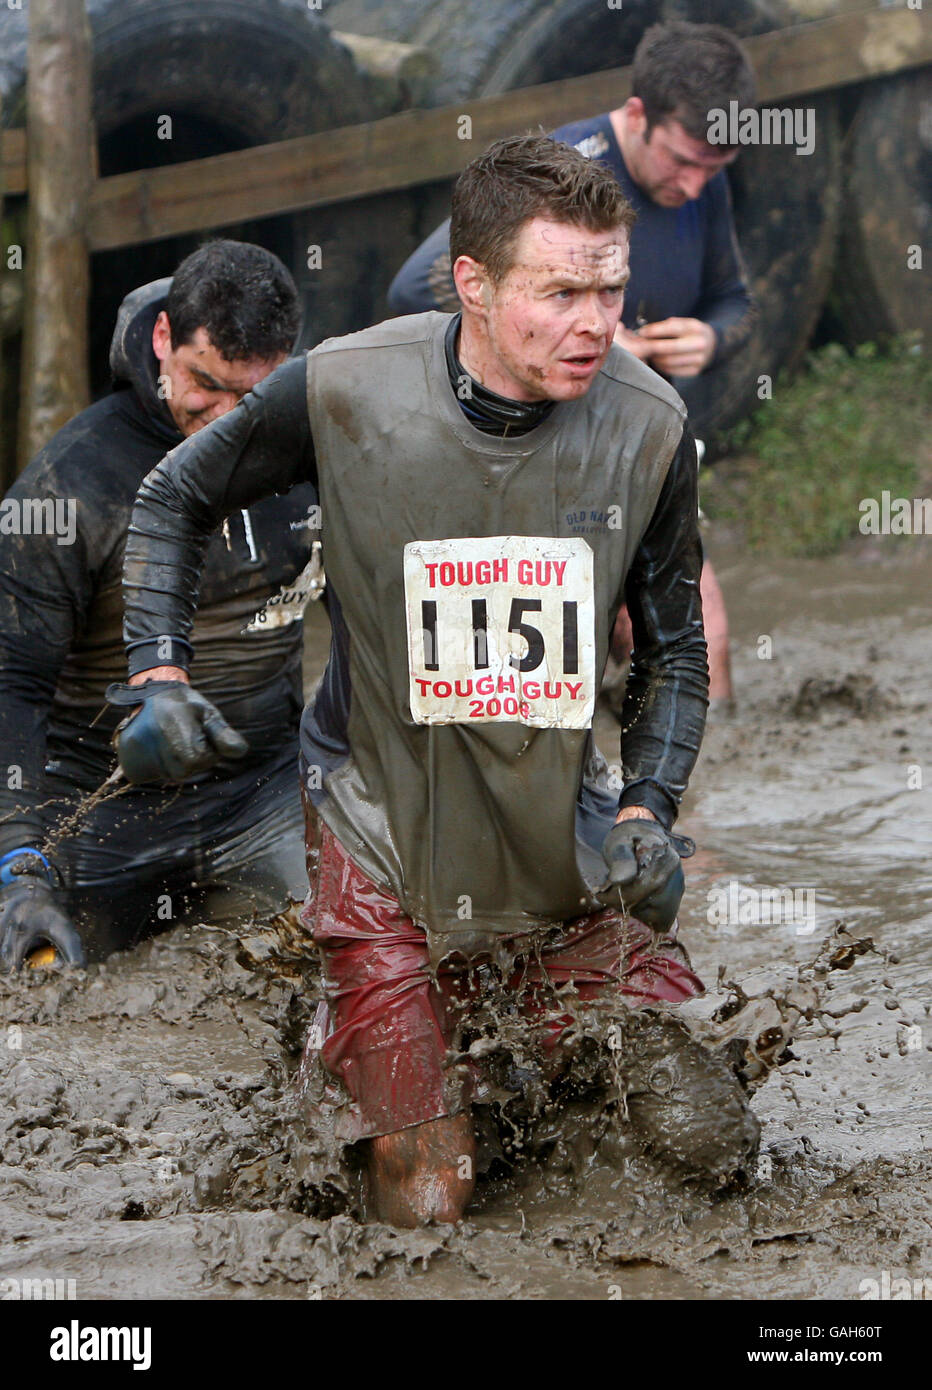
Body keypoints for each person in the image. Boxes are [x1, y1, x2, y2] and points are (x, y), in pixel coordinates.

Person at [115, 135, 758, 1227]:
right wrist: (159, 675)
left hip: (556, 826)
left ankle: (466, 1019)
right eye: (559, 292)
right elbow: (171, 501)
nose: (595, 323)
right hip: (378, 820)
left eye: (609, 288)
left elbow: (673, 652)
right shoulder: (346, 388)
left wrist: (650, 808)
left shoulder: (648, 426)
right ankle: (374, 1021)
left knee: (698, 1144)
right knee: (430, 1199)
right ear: (471, 282)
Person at [389, 20, 759, 702]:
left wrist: (713, 337)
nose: (696, 184)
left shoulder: (702, 184)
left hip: (642, 446)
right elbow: (421, 285)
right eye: (684, 161)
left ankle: (700, 795)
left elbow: (734, 299)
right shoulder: (560, 171)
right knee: (561, 654)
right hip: (539, 449)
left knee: (702, 633)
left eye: (715, 168)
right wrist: (580, 334)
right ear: (639, 114)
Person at [0, 240, 321, 971]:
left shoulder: (309, 442)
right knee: (37, 971)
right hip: (98, 808)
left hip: (261, 796)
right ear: (162, 340)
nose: (229, 424)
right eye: (206, 385)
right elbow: (10, 686)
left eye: (254, 399)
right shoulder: (66, 487)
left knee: (365, 940)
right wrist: (16, 861)